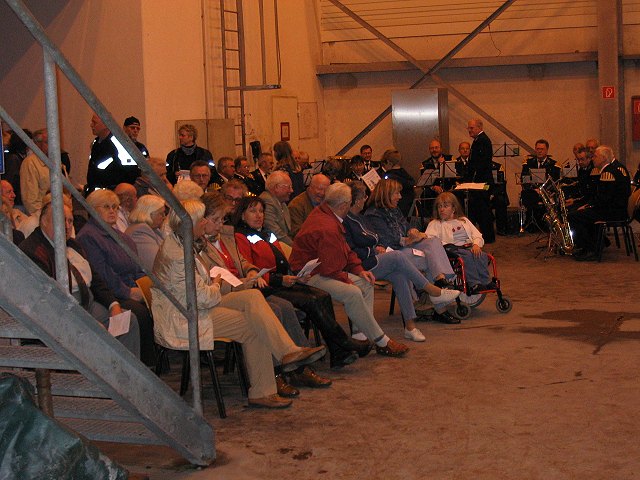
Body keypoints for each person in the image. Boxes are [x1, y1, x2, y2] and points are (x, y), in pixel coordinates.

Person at [151, 198, 326, 409]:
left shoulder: (182, 242)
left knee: (253, 298)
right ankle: (264, 390)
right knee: (252, 323)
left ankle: (287, 352)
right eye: (203, 220)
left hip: (196, 306)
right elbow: (205, 296)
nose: (207, 224)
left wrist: (216, 283)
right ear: (190, 223)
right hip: (186, 317)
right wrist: (215, 283)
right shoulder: (179, 254)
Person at [198, 193, 332, 393]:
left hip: (247, 286)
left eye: (222, 219)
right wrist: (247, 280)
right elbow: (210, 279)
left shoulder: (226, 235)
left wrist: (251, 270)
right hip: (226, 293)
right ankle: (276, 373)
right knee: (276, 310)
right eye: (215, 220)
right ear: (202, 220)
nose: (219, 224)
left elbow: (240, 260)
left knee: (286, 308)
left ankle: (299, 367)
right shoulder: (198, 245)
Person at [233, 195, 366, 369]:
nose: (259, 215)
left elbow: (281, 259)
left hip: (283, 280)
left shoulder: (268, 233)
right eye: (252, 211)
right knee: (310, 300)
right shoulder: (240, 237)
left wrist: (296, 275)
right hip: (266, 286)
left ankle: (338, 351)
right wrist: (281, 279)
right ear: (242, 215)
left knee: (322, 295)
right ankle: (343, 345)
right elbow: (249, 271)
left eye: (261, 211)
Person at [290, 183, 410, 356]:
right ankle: (381, 341)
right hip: (307, 276)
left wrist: (359, 269)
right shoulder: (327, 226)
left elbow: (345, 250)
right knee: (353, 292)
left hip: (320, 270)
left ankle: (360, 336)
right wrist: (349, 279)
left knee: (366, 283)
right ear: (344, 205)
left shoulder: (326, 214)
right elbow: (330, 269)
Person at [20, 201, 140, 357]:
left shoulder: (73, 244)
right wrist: (85, 321)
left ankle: (125, 376)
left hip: (87, 301)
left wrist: (113, 305)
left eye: (70, 221)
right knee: (95, 334)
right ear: (43, 221)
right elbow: (49, 300)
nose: (67, 225)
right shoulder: (33, 251)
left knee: (128, 321)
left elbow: (95, 280)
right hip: (63, 312)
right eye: (61, 219)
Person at [344, 182, 461, 340]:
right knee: (423, 257)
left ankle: (411, 325)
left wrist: (412, 232)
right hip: (378, 258)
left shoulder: (365, 216)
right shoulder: (369, 215)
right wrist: (399, 242)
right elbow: (382, 241)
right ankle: (435, 293)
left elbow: (401, 229)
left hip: (385, 255)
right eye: (396, 193)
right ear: (357, 200)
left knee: (429, 246)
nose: (400, 196)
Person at [76, 189, 155, 365]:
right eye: (106, 207)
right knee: (139, 313)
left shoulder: (122, 237)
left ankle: (158, 359)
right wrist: (128, 292)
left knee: (159, 301)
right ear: (93, 210)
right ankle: (146, 365)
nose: (112, 211)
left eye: (115, 207)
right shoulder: (88, 236)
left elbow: (137, 267)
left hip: (133, 287)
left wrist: (144, 287)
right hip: (111, 292)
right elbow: (102, 274)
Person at [568, 145, 631, 261]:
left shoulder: (608, 173)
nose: (592, 158)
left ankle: (591, 248)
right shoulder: (608, 171)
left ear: (603, 158)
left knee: (574, 216)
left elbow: (604, 199)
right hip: (613, 209)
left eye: (595, 156)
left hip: (612, 212)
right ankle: (594, 244)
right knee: (580, 213)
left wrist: (587, 206)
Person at [426, 192, 493, 293]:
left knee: (482, 255)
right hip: (451, 249)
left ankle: (486, 281)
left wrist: (476, 244)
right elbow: (430, 240)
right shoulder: (435, 223)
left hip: (468, 246)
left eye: (445, 206)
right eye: (439, 206)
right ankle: (474, 283)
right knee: (467, 256)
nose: (442, 209)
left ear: (454, 208)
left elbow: (477, 235)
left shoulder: (463, 221)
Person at [85, 114, 141, 194]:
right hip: (96, 196)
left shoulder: (120, 145)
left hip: (113, 197)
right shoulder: (96, 143)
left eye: (94, 122)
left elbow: (131, 175)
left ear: (106, 124)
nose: (91, 125)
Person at [463, 118, 495, 243]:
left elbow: (480, 164)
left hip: (482, 182)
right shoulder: (479, 140)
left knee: (483, 210)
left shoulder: (482, 141)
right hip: (481, 181)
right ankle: (486, 236)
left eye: (472, 128)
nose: (469, 130)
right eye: (468, 128)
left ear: (479, 127)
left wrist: (471, 179)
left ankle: (487, 237)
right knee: (481, 209)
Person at [520, 139, 560, 230]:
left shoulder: (554, 165)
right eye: (537, 149)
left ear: (547, 150)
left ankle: (544, 223)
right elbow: (524, 179)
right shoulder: (528, 163)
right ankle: (530, 221)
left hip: (546, 192)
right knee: (526, 194)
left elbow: (554, 181)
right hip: (532, 191)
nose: (539, 151)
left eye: (542, 149)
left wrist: (542, 190)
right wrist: (533, 189)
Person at [125, 195, 166, 271]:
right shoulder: (140, 231)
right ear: (149, 214)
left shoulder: (153, 229)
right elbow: (156, 263)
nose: (164, 217)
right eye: (161, 213)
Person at [288, 173, 330, 238]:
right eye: (319, 189)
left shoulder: (327, 202)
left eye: (326, 190)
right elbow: (297, 233)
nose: (322, 193)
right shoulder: (296, 205)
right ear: (310, 187)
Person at [376, 149, 416, 217]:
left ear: (388, 162)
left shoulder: (389, 177)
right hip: (410, 209)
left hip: (397, 210)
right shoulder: (405, 174)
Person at [20, 129, 51, 215]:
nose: (53, 145)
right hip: (43, 217)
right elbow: (30, 201)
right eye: (47, 142)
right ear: (37, 144)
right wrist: (43, 217)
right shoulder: (30, 163)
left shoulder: (55, 162)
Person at [260, 170, 294, 246]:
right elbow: (275, 232)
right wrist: (295, 247)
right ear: (276, 187)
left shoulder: (282, 203)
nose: (292, 190)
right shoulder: (266, 201)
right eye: (289, 187)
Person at [2, 129, 32, 208]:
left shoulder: (20, 157)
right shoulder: (14, 159)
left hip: (19, 199)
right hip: (17, 201)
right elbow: (11, 180)